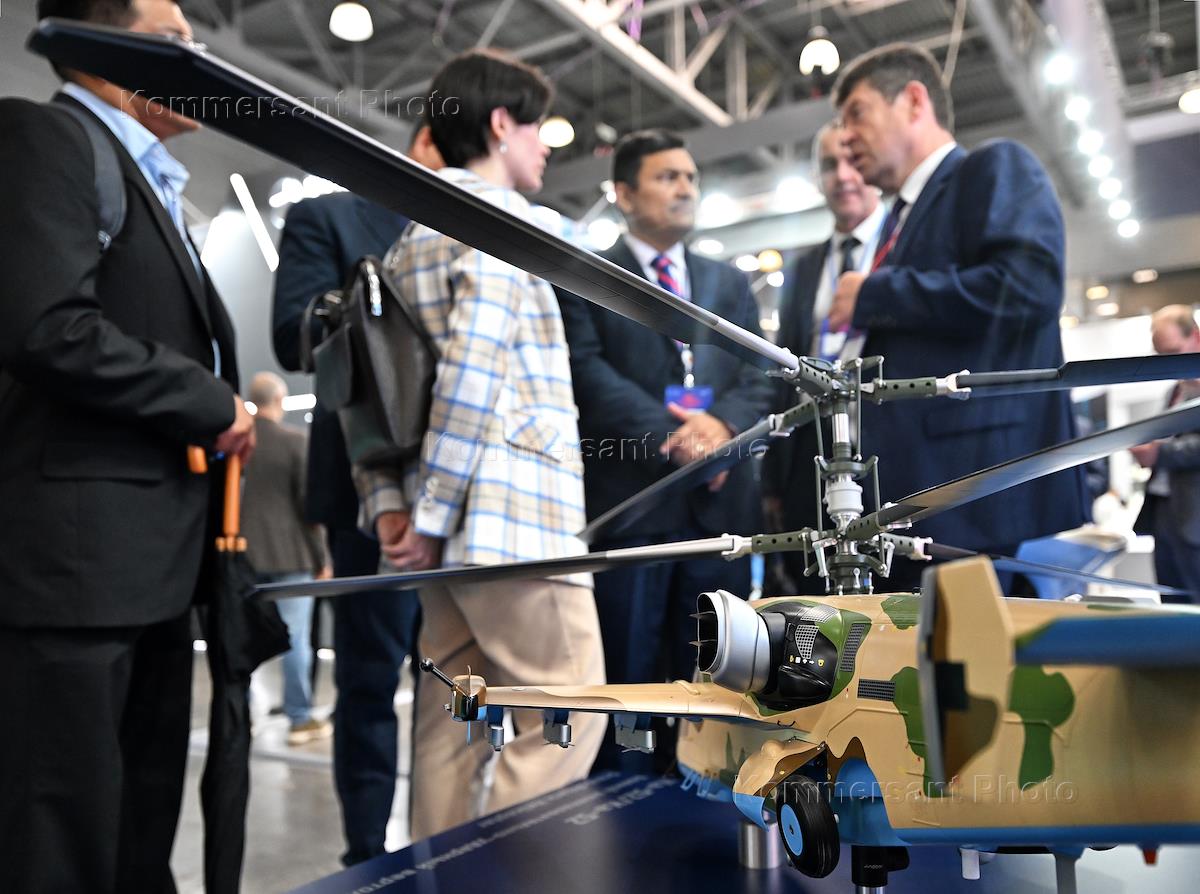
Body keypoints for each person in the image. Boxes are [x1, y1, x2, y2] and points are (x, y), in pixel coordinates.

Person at [0, 1, 254, 891]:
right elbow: (47, 327)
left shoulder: (144, 180)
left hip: (150, 567)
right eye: (171, 41)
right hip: (75, 569)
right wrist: (211, 401)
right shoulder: (46, 138)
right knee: (60, 838)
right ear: (97, 47)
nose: (196, 57)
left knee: (138, 830)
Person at [354, 48, 606, 839]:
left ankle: (438, 878)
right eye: (538, 129)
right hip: (510, 521)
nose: (545, 147)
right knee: (568, 712)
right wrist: (429, 515)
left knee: (452, 724)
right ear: (501, 124)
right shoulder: (497, 225)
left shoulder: (408, 243)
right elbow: (471, 376)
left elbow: (372, 391)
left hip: (445, 539)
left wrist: (396, 509)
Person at [825, 43, 1087, 580]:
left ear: (914, 101)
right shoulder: (901, 219)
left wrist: (873, 295)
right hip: (919, 498)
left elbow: (1028, 287)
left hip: (979, 492)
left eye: (857, 113)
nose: (846, 136)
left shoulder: (992, 166)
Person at [556, 129, 772, 773]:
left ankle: (706, 797)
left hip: (720, 518)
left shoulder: (728, 282)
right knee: (629, 680)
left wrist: (720, 429)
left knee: (716, 678)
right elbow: (587, 373)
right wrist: (672, 438)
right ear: (624, 194)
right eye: (667, 177)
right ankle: (620, 808)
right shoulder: (590, 277)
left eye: (690, 177)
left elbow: (760, 373)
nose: (685, 188)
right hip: (634, 512)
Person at [273, 125, 442, 864]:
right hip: (368, 485)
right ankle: (367, 857)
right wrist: (376, 303)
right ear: (429, 139)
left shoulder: (477, 230)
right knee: (370, 681)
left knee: (455, 683)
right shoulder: (330, 218)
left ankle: (447, 839)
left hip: (467, 492)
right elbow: (292, 333)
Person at [762, 122, 885, 590]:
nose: (843, 176)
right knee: (817, 606)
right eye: (830, 165)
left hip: (887, 458)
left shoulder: (902, 250)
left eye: (853, 161)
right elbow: (783, 375)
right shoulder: (802, 269)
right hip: (811, 466)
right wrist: (773, 480)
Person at [241, 372, 332, 744]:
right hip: (291, 556)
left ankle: (242, 714)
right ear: (280, 400)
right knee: (295, 640)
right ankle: (299, 718)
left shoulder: (238, 442)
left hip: (244, 557)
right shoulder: (295, 442)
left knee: (243, 638)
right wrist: (322, 558)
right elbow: (309, 508)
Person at [1132, 305, 1200, 604]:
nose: (1167, 363)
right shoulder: (1174, 391)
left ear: (1195, 337)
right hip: (1164, 511)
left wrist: (1160, 453)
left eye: (1173, 351)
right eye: (1161, 355)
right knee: (1171, 604)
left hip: (1194, 517)